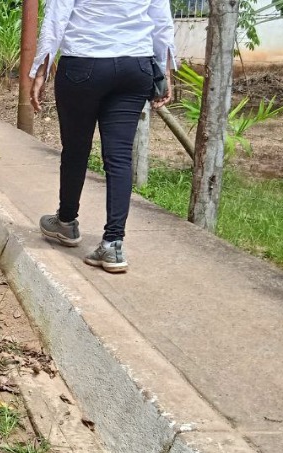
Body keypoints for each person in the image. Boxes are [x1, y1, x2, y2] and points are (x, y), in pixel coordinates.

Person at [29, 0, 176, 273]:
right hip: (136, 67)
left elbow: (57, 16)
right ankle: (113, 244)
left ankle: (66, 222)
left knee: (75, 150)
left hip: (84, 63)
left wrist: (41, 68)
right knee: (119, 156)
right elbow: (161, 20)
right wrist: (164, 69)